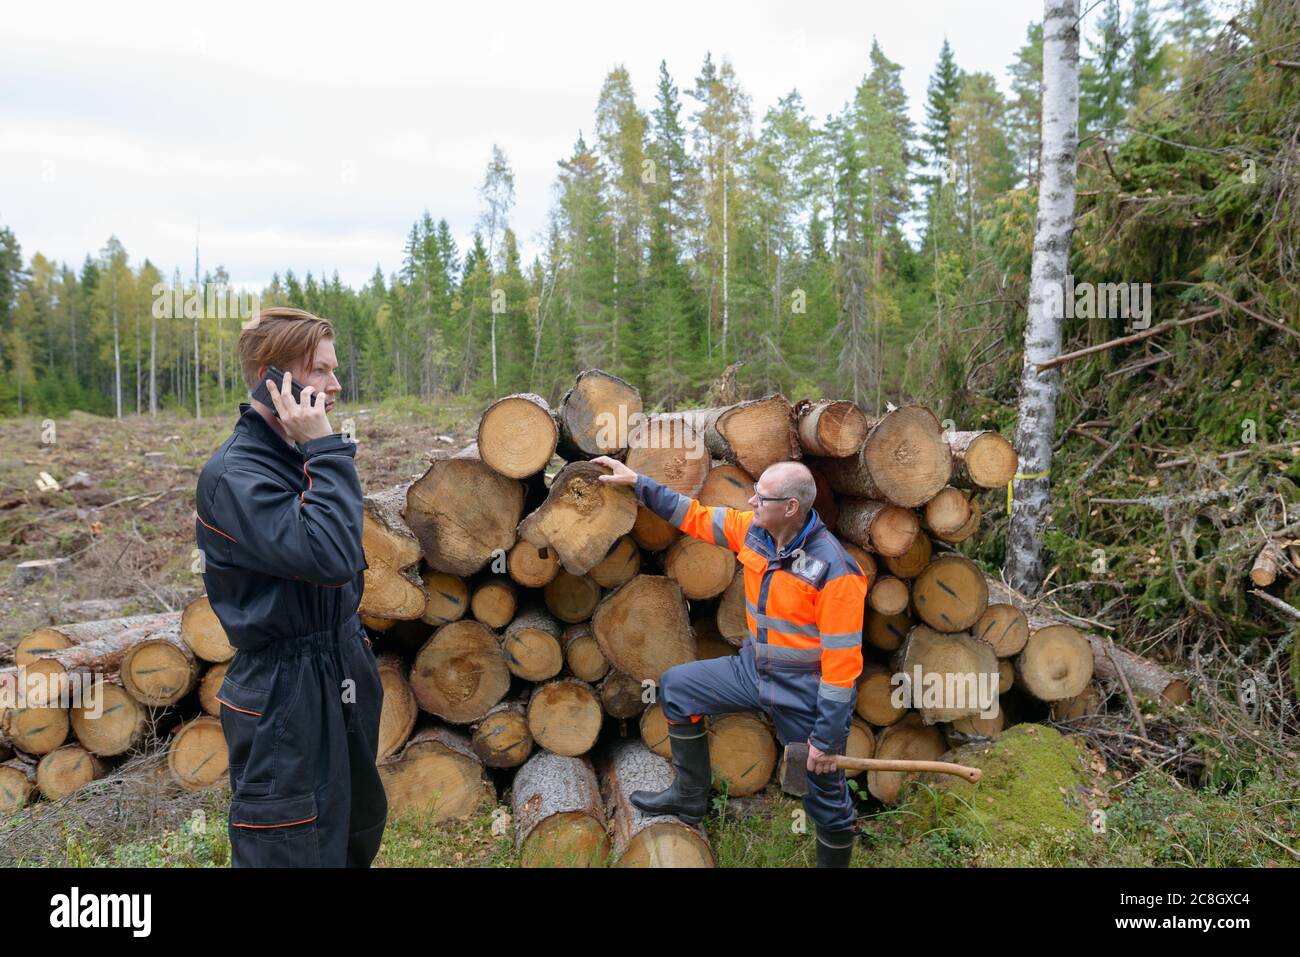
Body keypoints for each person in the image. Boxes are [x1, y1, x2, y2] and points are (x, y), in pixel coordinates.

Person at [593, 455, 869, 867]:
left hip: (805, 694)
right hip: (752, 671)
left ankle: (836, 850)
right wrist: (638, 482)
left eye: (762, 497)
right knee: (677, 688)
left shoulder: (835, 571)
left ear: (791, 508)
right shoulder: (754, 531)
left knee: (826, 799)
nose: (752, 502)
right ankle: (689, 798)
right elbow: (695, 516)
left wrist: (826, 739)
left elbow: (842, 666)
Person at [194, 306, 387, 867]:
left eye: (334, 370)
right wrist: (327, 449)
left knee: (353, 829)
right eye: (321, 371)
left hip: (342, 663)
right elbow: (327, 556)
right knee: (289, 846)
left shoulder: (296, 457)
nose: (336, 386)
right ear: (272, 378)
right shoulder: (235, 475)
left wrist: (318, 452)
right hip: (285, 690)